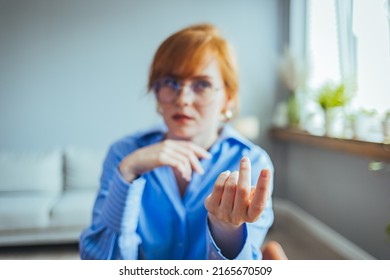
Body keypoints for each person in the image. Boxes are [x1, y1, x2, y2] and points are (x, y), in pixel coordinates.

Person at [79, 23, 274, 260]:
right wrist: (128, 174)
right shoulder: (124, 154)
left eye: (201, 84)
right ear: (157, 92)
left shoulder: (251, 162)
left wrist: (228, 231)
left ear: (228, 99)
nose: (182, 99)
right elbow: (98, 262)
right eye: (171, 83)